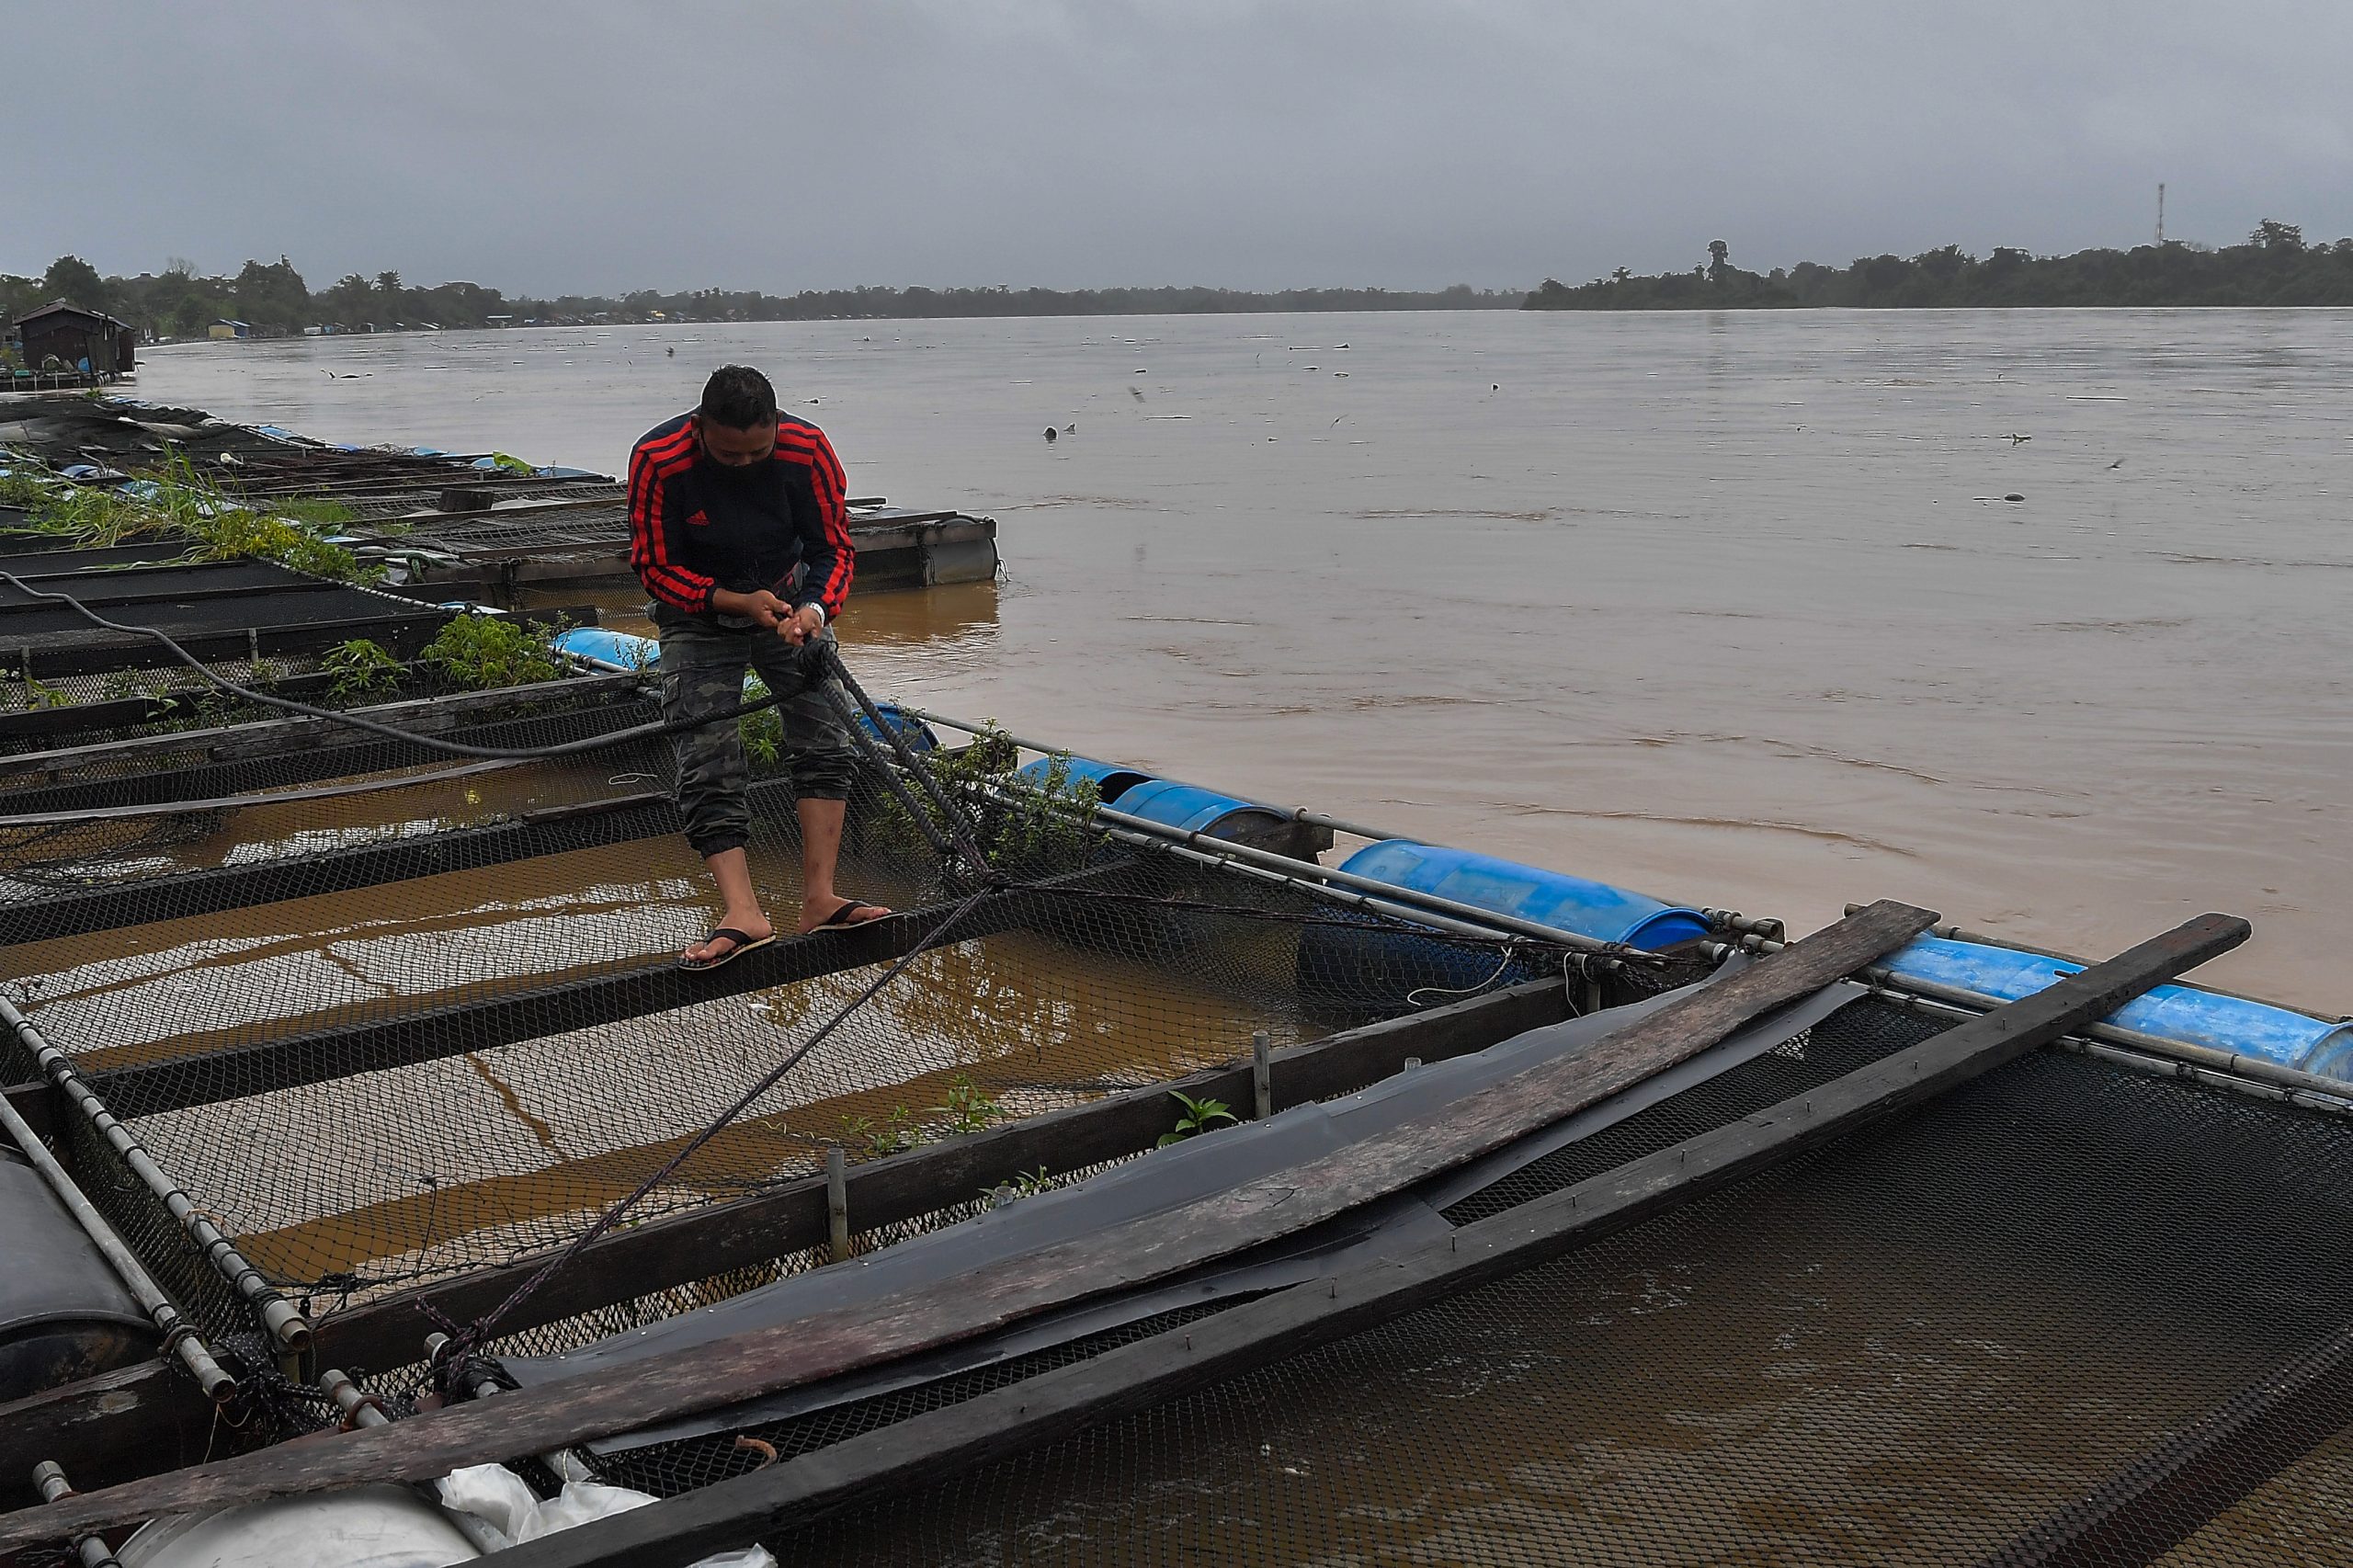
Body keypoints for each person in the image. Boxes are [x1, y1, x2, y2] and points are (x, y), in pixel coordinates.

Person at [628, 364, 891, 970]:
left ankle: (820, 899)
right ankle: (742, 912)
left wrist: (816, 611)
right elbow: (655, 566)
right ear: (699, 430)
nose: (744, 465)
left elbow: (834, 548)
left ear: (777, 427)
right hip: (698, 612)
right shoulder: (658, 459)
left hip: (790, 602)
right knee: (707, 749)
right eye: (728, 454)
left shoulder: (808, 449)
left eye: (758, 452)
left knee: (827, 736)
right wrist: (734, 602)